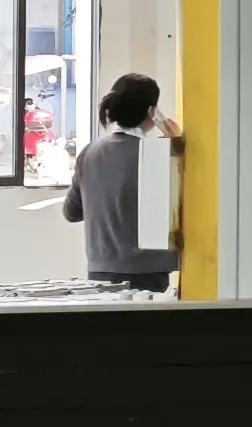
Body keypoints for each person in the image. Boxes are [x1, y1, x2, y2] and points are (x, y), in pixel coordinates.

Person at [62, 73, 175, 292]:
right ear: (152, 112)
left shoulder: (89, 153)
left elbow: (71, 213)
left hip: (100, 272)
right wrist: (178, 143)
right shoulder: (157, 155)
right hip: (148, 274)